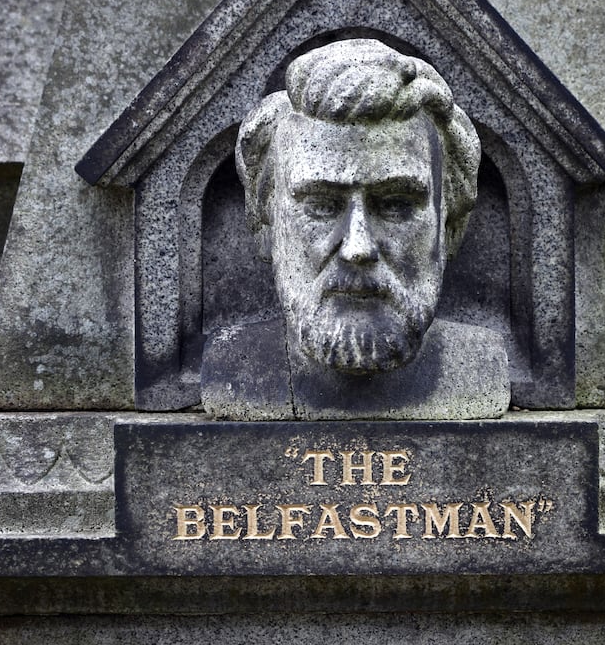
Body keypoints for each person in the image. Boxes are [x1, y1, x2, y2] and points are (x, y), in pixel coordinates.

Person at [201, 38, 509, 420]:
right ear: (266, 224)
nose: (358, 248)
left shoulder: (480, 369)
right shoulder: (234, 368)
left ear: (450, 224)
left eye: (397, 205)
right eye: (320, 207)